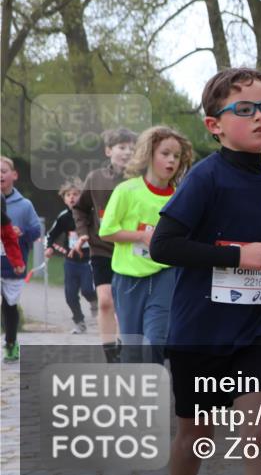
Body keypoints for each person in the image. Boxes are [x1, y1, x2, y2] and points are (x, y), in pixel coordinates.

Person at [149, 68, 261, 475]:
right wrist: (234, 257)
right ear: (214, 125)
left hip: (255, 328)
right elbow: (163, 246)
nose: (260, 117)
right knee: (194, 436)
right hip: (199, 330)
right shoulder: (206, 177)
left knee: (260, 436)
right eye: (244, 110)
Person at [99, 126, 192, 364]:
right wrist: (141, 237)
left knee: (155, 342)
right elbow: (106, 231)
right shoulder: (126, 190)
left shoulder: (181, 197)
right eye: (165, 153)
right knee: (131, 349)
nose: (172, 160)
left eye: (177, 156)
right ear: (149, 154)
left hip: (164, 276)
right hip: (128, 278)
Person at [74, 127, 137, 362]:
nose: (127, 153)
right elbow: (80, 207)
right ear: (109, 150)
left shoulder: (141, 179)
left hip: (131, 248)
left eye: (132, 148)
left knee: (126, 304)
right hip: (101, 247)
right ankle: (111, 353)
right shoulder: (96, 178)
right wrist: (82, 234)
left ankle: (125, 346)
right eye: (122, 148)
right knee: (105, 300)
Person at [1, 157, 41, 362]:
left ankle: (10, 342)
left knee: (9, 306)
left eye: (3, 171)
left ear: (14, 175)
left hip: (13, 266)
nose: (0, 175)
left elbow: (36, 232)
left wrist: (21, 232)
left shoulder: (24, 205)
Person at [45, 179, 97, 333]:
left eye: (76, 194)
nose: (72, 197)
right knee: (70, 295)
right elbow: (51, 234)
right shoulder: (63, 217)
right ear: (64, 198)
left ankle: (94, 300)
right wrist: (49, 247)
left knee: (88, 289)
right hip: (71, 261)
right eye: (68, 195)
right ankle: (79, 321)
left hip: (89, 260)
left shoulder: (91, 215)